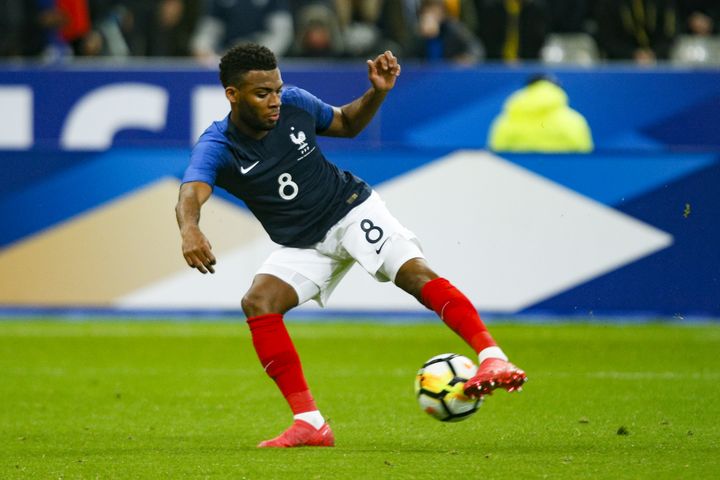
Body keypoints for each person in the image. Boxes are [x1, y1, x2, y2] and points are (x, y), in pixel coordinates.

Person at [175, 43, 527, 448]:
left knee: (414, 273)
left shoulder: (295, 103)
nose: (275, 101)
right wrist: (190, 229)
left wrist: (377, 91)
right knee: (259, 302)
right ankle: (310, 423)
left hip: (350, 211)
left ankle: (493, 357)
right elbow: (191, 192)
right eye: (262, 94)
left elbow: (345, 123)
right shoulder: (218, 145)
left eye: (277, 89)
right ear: (232, 95)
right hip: (304, 243)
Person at [488, 74, 593, 152]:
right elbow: (584, 153)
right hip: (560, 177)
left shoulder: (506, 120)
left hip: (517, 176)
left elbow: (497, 151)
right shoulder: (573, 120)